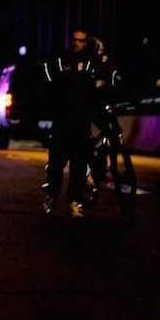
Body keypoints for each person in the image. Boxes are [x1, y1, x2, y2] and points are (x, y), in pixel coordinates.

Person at [41, 24, 99, 219]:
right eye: (74, 39)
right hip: (62, 120)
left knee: (78, 165)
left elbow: (99, 81)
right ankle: (52, 196)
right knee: (56, 163)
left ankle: (74, 201)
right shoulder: (60, 59)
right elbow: (48, 76)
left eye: (80, 40)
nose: (76, 43)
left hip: (81, 122)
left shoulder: (91, 61)